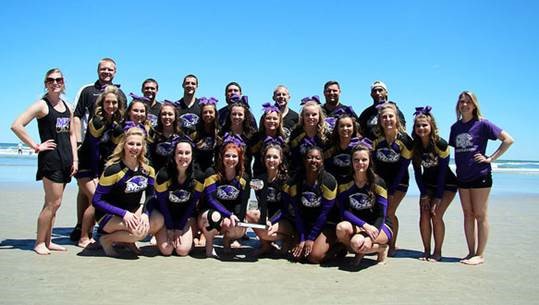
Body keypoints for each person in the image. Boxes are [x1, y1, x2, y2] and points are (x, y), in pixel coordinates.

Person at [11, 68, 78, 255]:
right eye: (50, 80)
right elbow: (16, 125)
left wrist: (75, 159)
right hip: (50, 160)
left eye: (58, 79)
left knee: (55, 203)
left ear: (63, 83)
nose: (55, 82)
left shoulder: (68, 106)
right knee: (52, 203)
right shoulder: (42, 105)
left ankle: (48, 241)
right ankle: (39, 242)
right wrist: (35, 145)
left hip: (66, 159)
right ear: (45, 83)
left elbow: (72, 134)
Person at [449, 91, 513, 265]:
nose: (465, 105)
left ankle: (480, 254)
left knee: (480, 215)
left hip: (480, 175)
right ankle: (470, 252)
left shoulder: (483, 123)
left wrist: (490, 158)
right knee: (467, 214)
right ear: (458, 105)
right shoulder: (455, 128)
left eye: (468, 102)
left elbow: (508, 140)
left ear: (474, 105)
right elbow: (455, 150)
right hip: (462, 176)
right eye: (462, 101)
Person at [70, 57, 127, 242]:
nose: (107, 72)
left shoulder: (120, 93)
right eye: (103, 69)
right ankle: (82, 230)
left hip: (107, 156)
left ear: (115, 72)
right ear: (98, 70)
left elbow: (122, 125)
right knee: (90, 195)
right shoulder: (87, 91)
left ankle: (93, 229)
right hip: (87, 153)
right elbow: (76, 116)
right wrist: (78, 143)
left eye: (110, 70)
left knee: (98, 195)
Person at [92, 127, 156, 257]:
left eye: (138, 144)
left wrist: (145, 214)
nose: (134, 147)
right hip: (108, 214)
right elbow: (96, 200)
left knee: (153, 221)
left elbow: (150, 196)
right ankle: (106, 240)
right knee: (139, 232)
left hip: (132, 209)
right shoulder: (113, 169)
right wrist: (123, 213)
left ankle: (128, 241)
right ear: (124, 145)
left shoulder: (148, 170)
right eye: (131, 143)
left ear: (143, 147)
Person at [411, 106, 457, 262]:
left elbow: (443, 172)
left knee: (436, 215)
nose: (421, 128)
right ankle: (426, 250)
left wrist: (438, 197)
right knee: (424, 215)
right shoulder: (414, 146)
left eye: (424, 125)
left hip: (447, 184)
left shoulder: (441, 144)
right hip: (428, 184)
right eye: (418, 126)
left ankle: (438, 252)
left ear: (431, 126)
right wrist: (424, 194)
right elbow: (417, 172)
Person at [336, 141, 392, 265]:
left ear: (369, 161)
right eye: (356, 160)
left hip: (380, 225)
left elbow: (382, 215)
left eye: (364, 160)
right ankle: (359, 250)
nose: (360, 163)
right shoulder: (345, 183)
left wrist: (371, 234)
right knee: (341, 228)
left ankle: (382, 248)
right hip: (361, 224)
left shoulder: (378, 183)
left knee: (357, 242)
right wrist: (364, 225)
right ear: (351, 161)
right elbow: (343, 211)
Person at [198, 134, 251, 258]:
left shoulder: (244, 178)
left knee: (240, 224)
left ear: (240, 158)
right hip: (210, 213)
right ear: (222, 157)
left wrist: (235, 218)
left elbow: (241, 203)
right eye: (227, 155)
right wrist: (227, 215)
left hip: (230, 215)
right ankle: (209, 246)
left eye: (234, 156)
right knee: (213, 217)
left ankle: (228, 240)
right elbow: (210, 199)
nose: (230, 159)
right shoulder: (212, 173)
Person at [372, 102, 413, 256]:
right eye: (384, 117)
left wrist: (392, 190)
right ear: (380, 120)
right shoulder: (376, 138)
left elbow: (403, 168)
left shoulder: (405, 140)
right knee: (379, 211)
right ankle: (381, 241)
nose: (387, 119)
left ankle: (392, 244)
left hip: (399, 182)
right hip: (380, 182)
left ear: (396, 119)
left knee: (389, 211)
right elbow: (373, 163)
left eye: (390, 116)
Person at [151, 137, 204, 256]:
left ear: (192, 155)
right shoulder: (163, 175)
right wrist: (169, 228)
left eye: (187, 153)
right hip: (165, 216)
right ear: (173, 155)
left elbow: (192, 205)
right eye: (180, 153)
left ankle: (192, 236)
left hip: (184, 218)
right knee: (167, 250)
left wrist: (180, 228)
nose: (183, 156)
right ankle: (160, 233)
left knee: (182, 251)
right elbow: (162, 204)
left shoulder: (199, 176)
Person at [246, 138, 295, 256]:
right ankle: (266, 245)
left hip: (284, 218)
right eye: (268, 157)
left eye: (275, 157)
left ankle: (289, 239)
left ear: (281, 160)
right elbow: (260, 203)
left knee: (266, 232)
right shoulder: (259, 179)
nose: (271, 160)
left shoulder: (286, 180)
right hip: (268, 215)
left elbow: (285, 208)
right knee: (250, 214)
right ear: (263, 159)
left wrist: (271, 221)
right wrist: (265, 217)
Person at [289, 146, 337, 264]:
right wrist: (302, 238)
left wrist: (310, 238)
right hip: (306, 223)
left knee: (313, 257)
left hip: (326, 224)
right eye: (309, 158)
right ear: (304, 160)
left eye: (317, 158)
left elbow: (325, 213)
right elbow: (297, 212)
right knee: (296, 256)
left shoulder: (329, 181)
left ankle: (338, 248)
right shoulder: (296, 180)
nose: (313, 161)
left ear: (322, 161)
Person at [288, 96, 331, 177]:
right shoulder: (295, 134)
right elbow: (291, 156)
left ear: (319, 116)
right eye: (307, 115)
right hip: (299, 176)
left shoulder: (326, 135)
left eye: (314, 114)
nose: (311, 117)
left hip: (321, 176)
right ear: (302, 117)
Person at [220, 98, 258, 177]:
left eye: (240, 114)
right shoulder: (222, 134)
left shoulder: (252, 136)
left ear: (245, 116)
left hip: (245, 175)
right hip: (223, 175)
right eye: (234, 114)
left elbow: (257, 157)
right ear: (229, 115)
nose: (237, 116)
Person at [324, 110, 362, 184]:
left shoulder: (360, 147)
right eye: (341, 126)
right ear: (337, 128)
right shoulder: (330, 147)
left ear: (354, 127)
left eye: (349, 126)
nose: (345, 129)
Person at [250, 102, 287, 177]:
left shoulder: (284, 137)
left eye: (275, 119)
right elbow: (250, 154)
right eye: (268, 118)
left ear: (279, 121)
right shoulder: (255, 137)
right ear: (263, 120)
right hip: (259, 174)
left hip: (280, 176)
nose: (272, 121)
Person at [148, 102, 182, 172]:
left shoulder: (181, 134)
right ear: (160, 116)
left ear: (175, 116)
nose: (167, 117)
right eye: (164, 114)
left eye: (170, 114)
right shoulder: (153, 133)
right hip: (157, 174)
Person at [191, 97, 221, 177]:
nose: (208, 115)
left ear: (215, 113)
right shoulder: (194, 131)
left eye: (210, 112)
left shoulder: (219, 132)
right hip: (195, 169)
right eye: (205, 112)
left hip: (212, 169)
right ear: (201, 114)